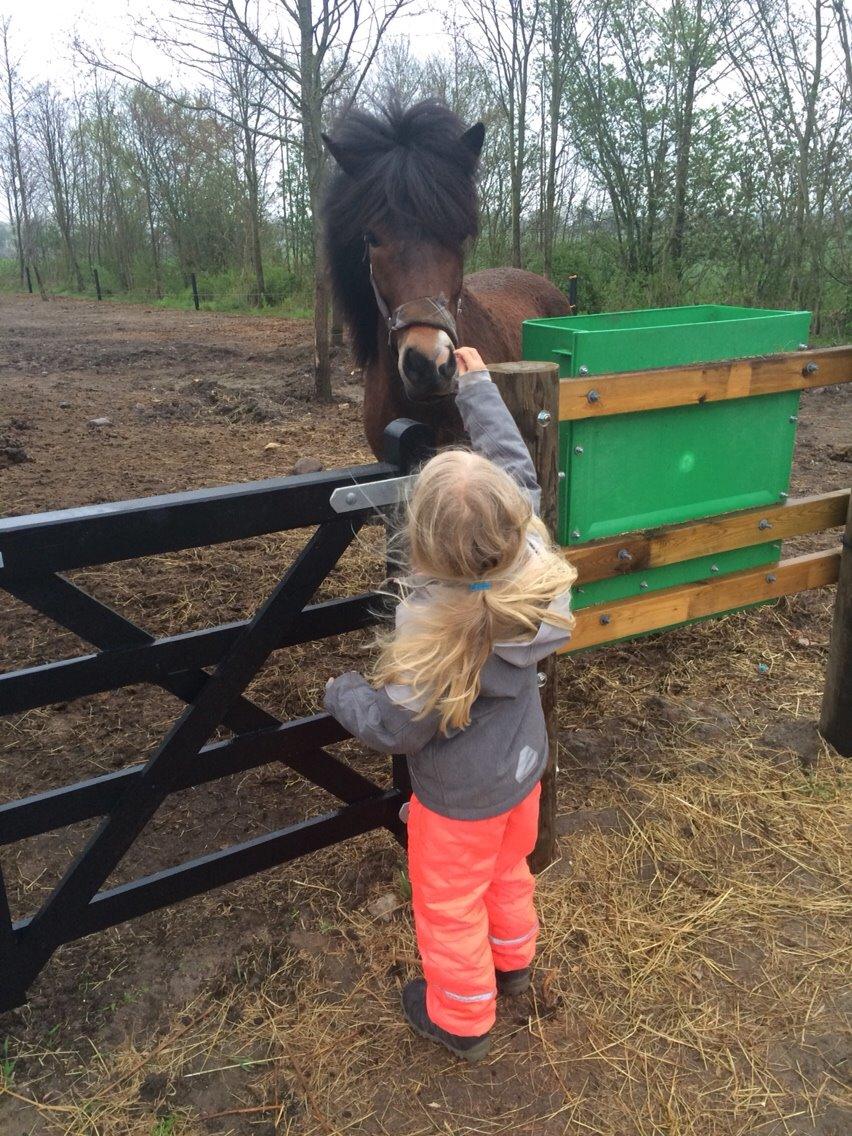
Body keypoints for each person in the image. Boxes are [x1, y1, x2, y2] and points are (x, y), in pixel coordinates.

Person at [324, 346, 576, 1062]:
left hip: (458, 802)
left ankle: (463, 1018)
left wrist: (344, 693)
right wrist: (478, 386)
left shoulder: (436, 631)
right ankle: (516, 966)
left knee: (447, 906)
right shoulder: (531, 561)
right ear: (507, 514)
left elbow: (397, 727)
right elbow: (515, 464)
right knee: (509, 870)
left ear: (424, 548)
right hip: (522, 771)